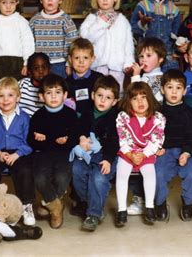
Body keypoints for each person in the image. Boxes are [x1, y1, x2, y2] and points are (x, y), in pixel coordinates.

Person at [27, 74, 80, 229]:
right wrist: (37, 139)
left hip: (63, 153)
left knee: (63, 176)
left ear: (64, 95)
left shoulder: (70, 115)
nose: (54, 96)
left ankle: (48, 204)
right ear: (42, 97)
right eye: (49, 93)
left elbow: (75, 137)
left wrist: (67, 140)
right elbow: (30, 140)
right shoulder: (38, 116)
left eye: (58, 92)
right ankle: (56, 207)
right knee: (40, 177)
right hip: (43, 153)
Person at [0, 77, 36, 227]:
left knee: (25, 170)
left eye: (10, 95)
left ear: (18, 97)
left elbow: (30, 142)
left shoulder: (24, 118)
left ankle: (26, 206)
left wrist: (17, 154)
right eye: (1, 96)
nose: (6, 100)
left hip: (19, 152)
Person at [71, 76, 120, 231]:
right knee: (76, 170)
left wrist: (108, 160)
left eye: (108, 98)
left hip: (107, 154)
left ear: (114, 101)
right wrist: (81, 137)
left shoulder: (115, 117)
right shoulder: (87, 111)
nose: (102, 101)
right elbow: (78, 128)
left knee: (98, 178)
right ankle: (89, 204)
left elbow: (114, 142)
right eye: (99, 96)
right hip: (86, 152)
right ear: (93, 95)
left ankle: (93, 214)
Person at [115, 82, 165, 227]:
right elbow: (122, 139)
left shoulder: (158, 118)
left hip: (146, 152)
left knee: (149, 173)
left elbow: (157, 140)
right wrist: (130, 154)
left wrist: (144, 154)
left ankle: (149, 207)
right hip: (128, 152)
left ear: (150, 98)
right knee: (122, 173)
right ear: (129, 102)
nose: (140, 102)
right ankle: (121, 210)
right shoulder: (123, 117)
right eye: (135, 99)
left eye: (144, 97)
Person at [155, 70, 192, 222]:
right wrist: (157, 147)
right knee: (157, 174)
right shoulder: (157, 112)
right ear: (162, 90)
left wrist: (187, 152)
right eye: (169, 87)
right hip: (164, 151)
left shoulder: (190, 113)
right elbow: (152, 134)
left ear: (185, 90)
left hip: (186, 150)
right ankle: (160, 202)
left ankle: (188, 202)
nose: (174, 91)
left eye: (178, 88)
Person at [79, 0, 134, 92]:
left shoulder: (122, 20)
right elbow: (85, 39)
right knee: (97, 92)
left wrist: (128, 63)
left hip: (117, 67)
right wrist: (101, 23)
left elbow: (128, 45)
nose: (105, 0)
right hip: (97, 65)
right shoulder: (92, 18)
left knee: (116, 93)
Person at [130, 0, 181, 72]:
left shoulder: (174, 9)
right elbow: (132, 30)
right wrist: (142, 23)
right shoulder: (142, 6)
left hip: (168, 59)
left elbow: (177, 34)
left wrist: (177, 50)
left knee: (169, 85)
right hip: (148, 59)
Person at [29, 0, 78, 78]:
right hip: (39, 64)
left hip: (59, 64)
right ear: (41, 0)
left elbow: (72, 42)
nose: (50, 0)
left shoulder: (65, 19)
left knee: (58, 89)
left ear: (60, 0)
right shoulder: (35, 20)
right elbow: (28, 41)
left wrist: (69, 64)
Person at [65, 38, 102, 118]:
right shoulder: (66, 83)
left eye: (85, 57)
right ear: (70, 59)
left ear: (92, 59)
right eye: (77, 58)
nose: (81, 61)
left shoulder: (99, 79)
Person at [130, 37, 167, 103]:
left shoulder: (161, 78)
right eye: (141, 56)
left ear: (160, 58)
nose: (143, 59)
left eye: (148, 55)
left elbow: (140, 95)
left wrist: (135, 76)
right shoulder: (143, 76)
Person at [18, 52, 50, 117]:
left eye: (44, 67)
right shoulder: (22, 84)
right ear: (29, 71)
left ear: (49, 69)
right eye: (36, 68)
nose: (41, 71)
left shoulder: (52, 87)